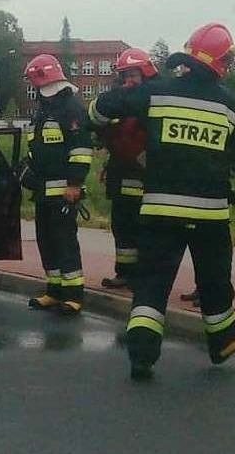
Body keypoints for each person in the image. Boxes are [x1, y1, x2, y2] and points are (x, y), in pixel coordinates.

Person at [89, 22, 235, 381]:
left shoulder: (156, 92)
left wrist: (105, 126)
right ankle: (224, 339)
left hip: (160, 208)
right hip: (210, 214)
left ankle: (142, 352)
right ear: (223, 63)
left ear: (188, 56)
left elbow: (101, 108)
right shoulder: (233, 108)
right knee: (213, 281)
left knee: (151, 280)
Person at [22, 53, 91, 315]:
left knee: (64, 242)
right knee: (46, 240)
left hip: (64, 191)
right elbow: (37, 147)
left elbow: (81, 151)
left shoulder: (71, 109)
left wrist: (74, 185)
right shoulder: (43, 109)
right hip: (43, 190)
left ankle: (74, 294)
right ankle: (54, 289)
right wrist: (27, 168)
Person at [92, 47, 156, 290]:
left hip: (143, 177)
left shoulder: (153, 99)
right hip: (120, 174)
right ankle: (125, 273)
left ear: (146, 73)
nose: (129, 80)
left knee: (143, 230)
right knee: (122, 227)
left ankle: (144, 276)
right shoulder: (119, 100)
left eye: (133, 74)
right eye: (125, 75)